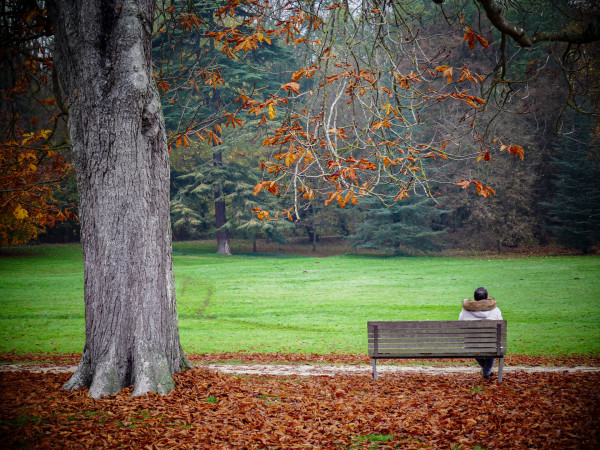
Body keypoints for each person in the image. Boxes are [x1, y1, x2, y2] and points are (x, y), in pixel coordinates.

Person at [459, 286, 503, 379]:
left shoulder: (465, 310)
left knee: (474, 347)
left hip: (471, 345)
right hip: (491, 345)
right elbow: (501, 327)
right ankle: (486, 373)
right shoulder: (496, 310)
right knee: (491, 348)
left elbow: (460, 326)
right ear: (487, 298)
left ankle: (486, 372)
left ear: (474, 298)